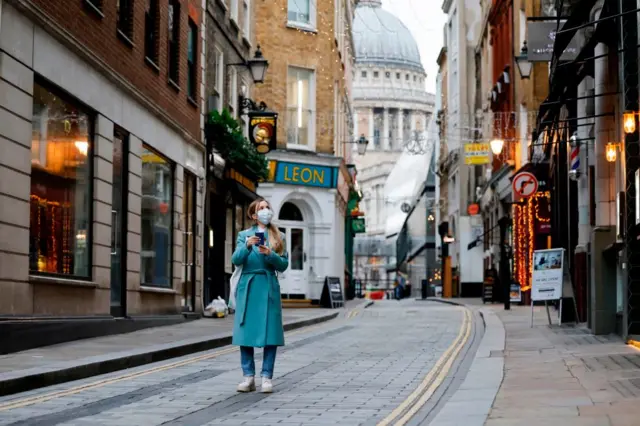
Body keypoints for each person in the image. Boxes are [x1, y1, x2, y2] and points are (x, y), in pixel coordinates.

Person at [231, 198, 288, 394]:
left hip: (268, 285)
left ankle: (266, 377)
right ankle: (248, 377)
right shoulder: (243, 235)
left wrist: (270, 254)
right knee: (245, 333)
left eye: (267, 207)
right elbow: (235, 259)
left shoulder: (279, 236)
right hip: (248, 286)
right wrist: (247, 246)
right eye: (261, 208)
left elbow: (283, 264)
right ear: (254, 216)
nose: (265, 211)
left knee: (270, 334)